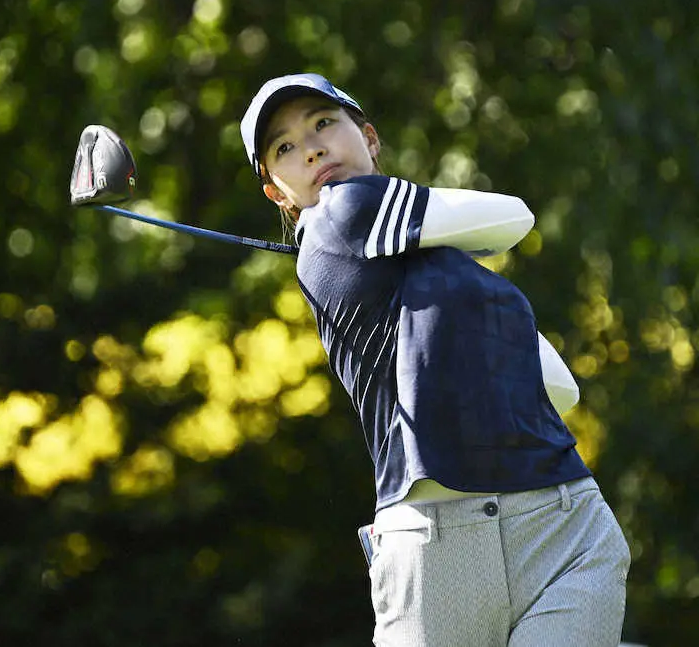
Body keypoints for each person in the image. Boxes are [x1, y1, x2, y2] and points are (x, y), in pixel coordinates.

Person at [240, 73, 631, 647]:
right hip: (446, 545)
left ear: (368, 137)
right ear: (279, 193)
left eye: (324, 124)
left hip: (561, 528)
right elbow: (513, 216)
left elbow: (558, 387)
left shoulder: (449, 267)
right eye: (285, 147)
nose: (313, 148)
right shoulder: (340, 212)